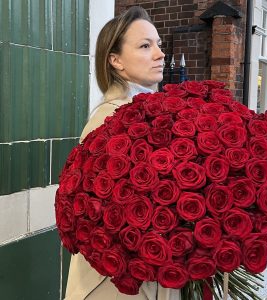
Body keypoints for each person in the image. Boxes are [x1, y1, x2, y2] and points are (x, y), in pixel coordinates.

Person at [64, 6, 180, 300]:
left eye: (158, 45)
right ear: (115, 60)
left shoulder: (153, 113)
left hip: (153, 274)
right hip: (117, 284)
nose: (159, 54)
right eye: (145, 46)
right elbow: (93, 216)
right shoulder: (108, 120)